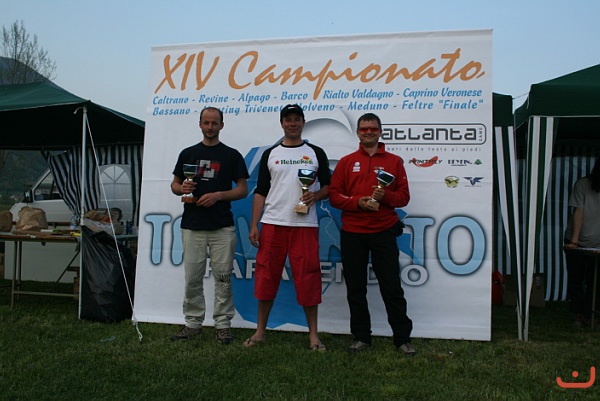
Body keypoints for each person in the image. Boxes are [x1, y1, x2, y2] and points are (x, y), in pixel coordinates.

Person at [245, 104, 331, 351]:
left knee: (308, 277)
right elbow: (261, 191)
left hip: (304, 225)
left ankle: (313, 335)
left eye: (297, 119)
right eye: (288, 119)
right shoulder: (270, 153)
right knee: (266, 276)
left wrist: (316, 195)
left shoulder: (316, 152)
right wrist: (254, 224)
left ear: (303, 122)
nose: (292, 123)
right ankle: (260, 332)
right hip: (273, 223)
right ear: (282, 123)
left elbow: (328, 186)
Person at [328, 112, 416, 355]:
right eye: (364, 129)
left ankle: (402, 338)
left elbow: (403, 197)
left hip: (383, 231)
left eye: (373, 129)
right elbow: (334, 196)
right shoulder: (346, 162)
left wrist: (384, 196)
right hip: (352, 233)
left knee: (392, 287)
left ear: (380, 131)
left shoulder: (394, 162)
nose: (368, 132)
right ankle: (361, 337)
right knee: (355, 288)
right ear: (358, 132)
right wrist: (358, 202)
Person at [170, 106, 249, 344]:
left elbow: (242, 190)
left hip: (221, 226)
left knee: (223, 277)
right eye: (206, 122)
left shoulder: (232, 155)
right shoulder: (188, 153)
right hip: (192, 225)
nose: (210, 127)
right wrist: (182, 188)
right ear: (200, 124)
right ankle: (193, 323)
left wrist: (218, 196)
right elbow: (174, 185)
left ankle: (223, 325)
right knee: (192, 278)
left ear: (222, 125)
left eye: (214, 123)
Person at [563, 157, 600, 327]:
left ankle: (590, 314)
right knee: (577, 280)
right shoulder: (583, 184)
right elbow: (579, 211)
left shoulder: (583, 184)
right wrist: (575, 242)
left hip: (596, 243)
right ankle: (580, 313)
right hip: (578, 240)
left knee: (594, 281)